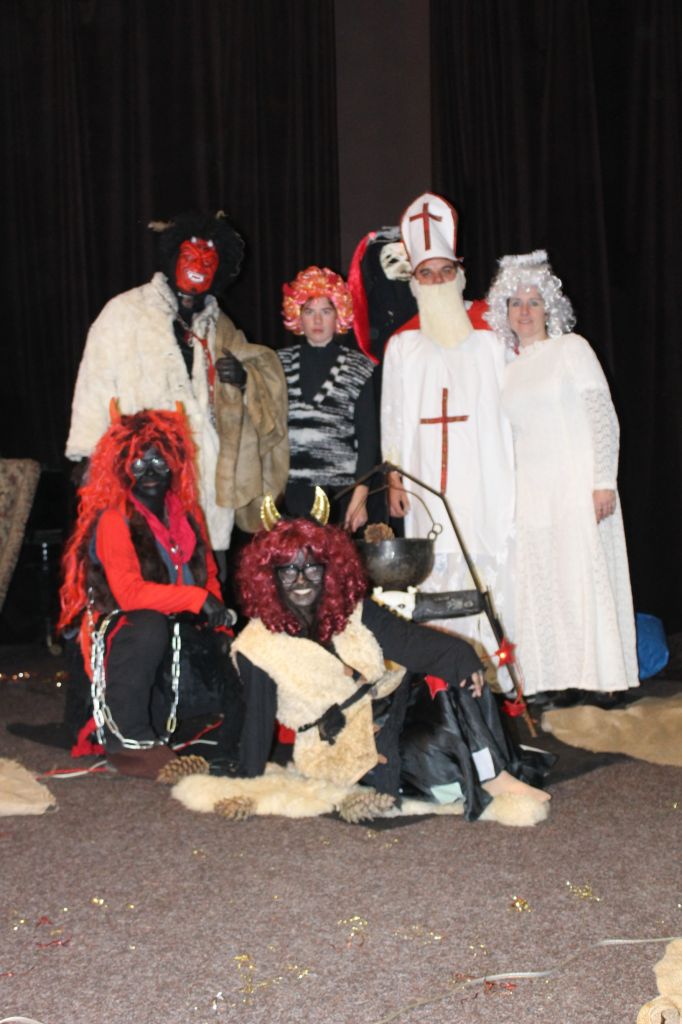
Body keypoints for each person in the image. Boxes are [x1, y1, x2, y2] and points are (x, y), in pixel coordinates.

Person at [219, 496, 550, 822]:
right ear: (269, 575)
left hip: (389, 711)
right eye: (289, 570)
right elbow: (257, 721)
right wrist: (248, 784)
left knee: (450, 674)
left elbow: (409, 642)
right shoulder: (257, 646)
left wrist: (461, 657)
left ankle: (492, 775)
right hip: (339, 746)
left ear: (329, 569)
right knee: (433, 750)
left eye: (311, 567)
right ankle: (482, 774)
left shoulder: (351, 610)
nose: (302, 580)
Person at [65, 211, 289, 549]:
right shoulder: (125, 312)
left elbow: (256, 390)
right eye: (190, 255)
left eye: (208, 261)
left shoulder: (221, 328)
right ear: (173, 257)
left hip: (203, 478)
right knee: (144, 562)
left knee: (202, 567)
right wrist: (89, 456)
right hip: (141, 472)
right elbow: (93, 384)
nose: (198, 265)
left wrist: (243, 381)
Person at [58, 406, 244, 780]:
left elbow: (208, 576)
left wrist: (220, 621)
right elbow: (130, 595)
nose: (150, 471)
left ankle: (220, 733)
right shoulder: (115, 518)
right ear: (122, 467)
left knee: (235, 646)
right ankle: (127, 739)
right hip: (122, 635)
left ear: (175, 463)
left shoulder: (185, 515)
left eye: (159, 460)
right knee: (147, 624)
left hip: (175, 629)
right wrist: (196, 600)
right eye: (139, 462)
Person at [485, 250, 639, 699]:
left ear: (548, 308)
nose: (525, 311)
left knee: (582, 579)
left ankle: (603, 679)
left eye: (534, 302)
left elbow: (602, 415)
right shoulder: (509, 370)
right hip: (534, 491)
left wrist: (603, 481)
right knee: (546, 583)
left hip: (576, 483)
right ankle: (556, 678)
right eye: (516, 303)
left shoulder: (572, 349)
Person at [380, 192, 515, 650]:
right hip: (425, 479)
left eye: (444, 270)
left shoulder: (493, 336)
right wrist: (394, 479)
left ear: (460, 274)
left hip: (486, 473)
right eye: (426, 273)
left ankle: (500, 665)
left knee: (490, 555)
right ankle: (445, 671)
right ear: (414, 281)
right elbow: (393, 415)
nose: (436, 280)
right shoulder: (403, 345)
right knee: (433, 563)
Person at [278, 266, 379, 533]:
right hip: (289, 495)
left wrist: (361, 495)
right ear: (297, 315)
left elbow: (368, 439)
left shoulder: (359, 367)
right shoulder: (277, 364)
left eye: (326, 311)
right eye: (309, 311)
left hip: (340, 495)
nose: (317, 320)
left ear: (339, 315)